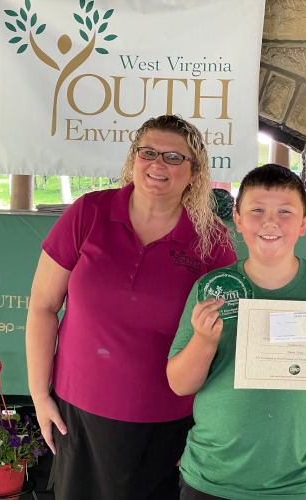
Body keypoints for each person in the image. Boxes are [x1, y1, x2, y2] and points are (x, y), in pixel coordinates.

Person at [25, 114, 237, 500]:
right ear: (133, 159)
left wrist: (207, 424)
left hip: (169, 423)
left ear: (195, 172)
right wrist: (40, 396)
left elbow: (226, 342)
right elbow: (42, 306)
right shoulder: (88, 213)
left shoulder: (211, 240)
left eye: (174, 157)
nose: (158, 164)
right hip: (79, 415)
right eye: (149, 152)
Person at [167, 164, 306, 500]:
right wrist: (204, 341)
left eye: (285, 212)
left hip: (299, 481)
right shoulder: (212, 289)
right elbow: (179, 384)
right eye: (257, 210)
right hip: (212, 477)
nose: (270, 222)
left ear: (305, 222)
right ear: (238, 218)